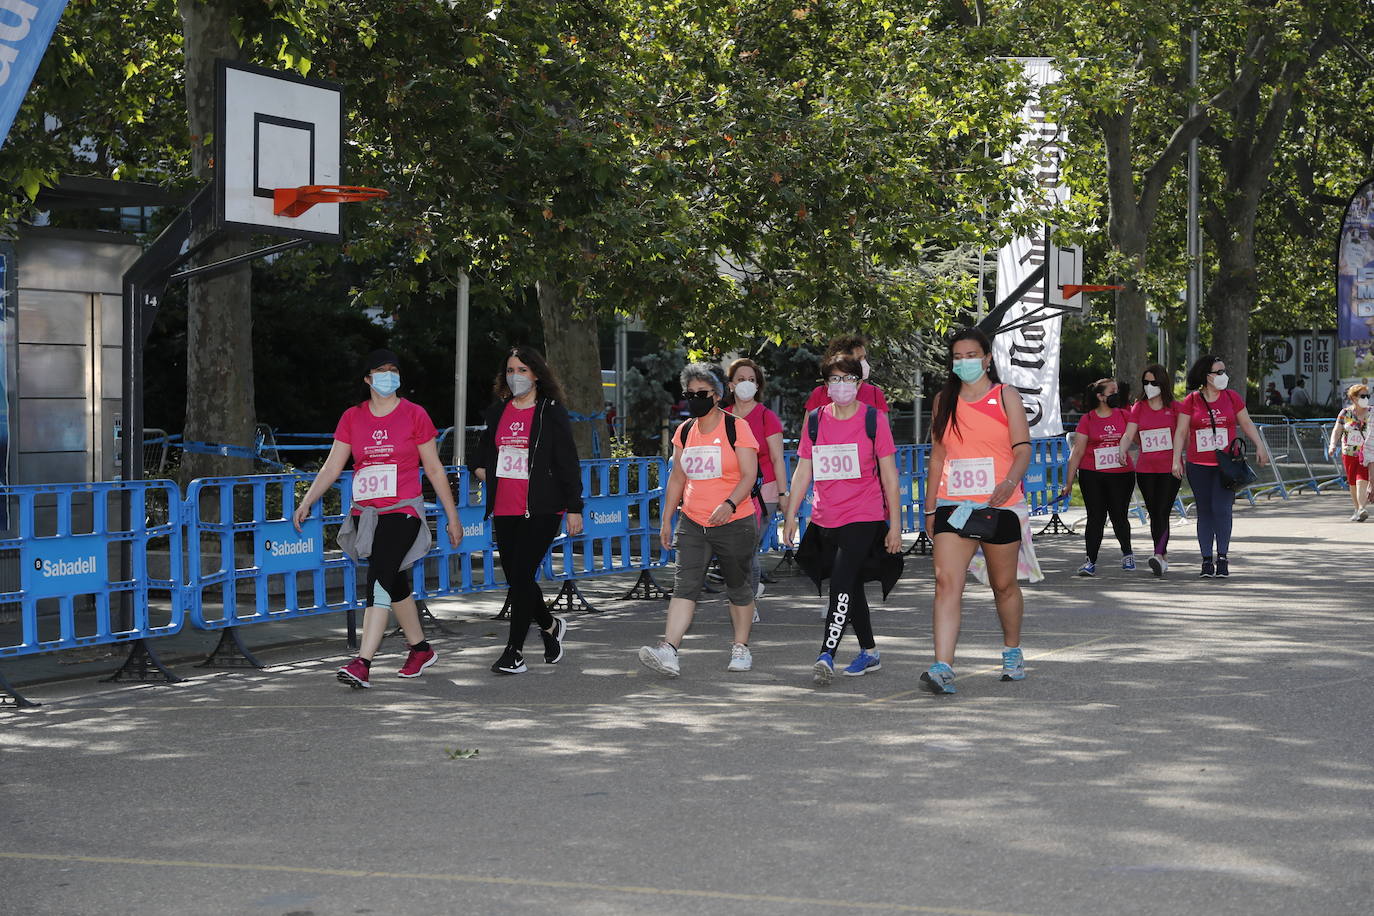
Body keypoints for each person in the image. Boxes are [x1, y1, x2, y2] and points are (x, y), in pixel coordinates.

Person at [293, 349, 462, 689]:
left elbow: (432, 468)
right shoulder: (352, 418)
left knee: (380, 577)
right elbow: (332, 465)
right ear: (367, 379)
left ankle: (362, 662)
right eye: (380, 371)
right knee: (393, 578)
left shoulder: (415, 415)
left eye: (393, 370)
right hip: (366, 514)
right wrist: (307, 500)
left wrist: (452, 515)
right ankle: (420, 649)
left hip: (404, 510)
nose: (388, 375)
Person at [921, 328, 1034, 695]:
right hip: (954, 505)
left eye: (972, 355)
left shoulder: (1006, 396)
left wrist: (1008, 483)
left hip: (998, 506)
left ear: (987, 358)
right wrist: (929, 508)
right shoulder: (944, 400)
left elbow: (1022, 449)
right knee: (946, 582)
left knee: (1003, 585)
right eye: (958, 356)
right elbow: (938, 456)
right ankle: (943, 666)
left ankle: (1012, 650)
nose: (965, 362)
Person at [782, 354, 903, 685]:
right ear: (825, 385)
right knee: (850, 585)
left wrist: (896, 524)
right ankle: (869, 651)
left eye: (848, 379)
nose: (842, 386)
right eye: (834, 380)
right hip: (825, 516)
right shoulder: (815, 421)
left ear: (859, 384)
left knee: (841, 579)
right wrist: (791, 515)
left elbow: (890, 476)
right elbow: (803, 469)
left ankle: (826, 654)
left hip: (864, 513)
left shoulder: (874, 420)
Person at [639, 363, 759, 676]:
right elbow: (677, 479)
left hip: (734, 522)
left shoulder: (736, 428)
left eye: (701, 393)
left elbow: (749, 474)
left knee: (738, 586)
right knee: (685, 586)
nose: (695, 399)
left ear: (717, 395)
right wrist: (666, 520)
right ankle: (669, 650)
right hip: (693, 522)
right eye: (689, 394)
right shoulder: (685, 431)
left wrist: (730, 504)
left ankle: (741, 647)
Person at [471, 346, 584, 674]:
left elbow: (567, 463)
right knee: (518, 578)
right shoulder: (497, 412)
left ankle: (514, 652)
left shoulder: (551, 411)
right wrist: (491, 476)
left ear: (536, 374)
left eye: (522, 370)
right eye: (510, 371)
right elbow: (479, 461)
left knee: (521, 575)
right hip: (505, 508)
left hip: (542, 508)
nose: (515, 376)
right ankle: (549, 627)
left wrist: (574, 507)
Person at [1171, 355, 1270, 578]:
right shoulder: (1192, 401)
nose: (1223, 376)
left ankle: (1222, 557)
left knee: (1222, 510)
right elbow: (1181, 432)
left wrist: (1260, 446)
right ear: (1206, 376)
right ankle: (1206, 560)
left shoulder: (1232, 398)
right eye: (1218, 372)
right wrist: (1176, 458)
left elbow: (1246, 423)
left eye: (1224, 371)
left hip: (1227, 466)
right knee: (1204, 511)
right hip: (1199, 465)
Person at [723, 357, 787, 598]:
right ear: (730, 385)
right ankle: (749, 593)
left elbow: (778, 458)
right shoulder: (723, 416)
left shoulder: (766, 417)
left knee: (745, 549)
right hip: (731, 492)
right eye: (741, 379)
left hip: (763, 492)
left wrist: (783, 494)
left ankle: (747, 603)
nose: (746, 384)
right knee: (734, 550)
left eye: (751, 380)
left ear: (758, 385)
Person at [1061, 379, 1136, 576]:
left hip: (1121, 474)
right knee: (1095, 518)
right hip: (1092, 475)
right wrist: (1068, 482)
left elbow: (1139, 437)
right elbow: (1077, 452)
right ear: (1100, 396)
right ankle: (1090, 561)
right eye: (1112, 392)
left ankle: (1127, 553)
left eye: (1117, 391)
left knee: (1119, 516)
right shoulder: (1088, 419)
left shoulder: (1125, 415)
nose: (1116, 395)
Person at [1118, 364, 1181, 576]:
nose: (1149, 386)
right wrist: (1121, 450)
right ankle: (1161, 556)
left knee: (1163, 510)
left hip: (1169, 469)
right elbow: (1129, 434)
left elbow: (1183, 437)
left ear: (1162, 383)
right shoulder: (1139, 407)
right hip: (1145, 469)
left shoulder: (1175, 408)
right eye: (1145, 382)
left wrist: (1178, 460)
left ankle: (1159, 554)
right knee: (1154, 513)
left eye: (1153, 382)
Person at [803, 334, 890, 412]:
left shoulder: (874, 394)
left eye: (864, 357)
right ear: (843, 359)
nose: (864, 363)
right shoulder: (819, 394)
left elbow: (883, 428)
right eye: (859, 359)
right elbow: (807, 428)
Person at [1326, 383, 1370, 522]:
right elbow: (1337, 430)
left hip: (1367, 453)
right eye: (1363, 396)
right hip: (1349, 453)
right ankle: (1357, 509)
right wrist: (1332, 444)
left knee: (1362, 479)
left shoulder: (1372, 412)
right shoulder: (1345, 413)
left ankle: (1362, 508)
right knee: (1352, 482)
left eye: (1367, 396)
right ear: (1354, 398)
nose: (1366, 398)